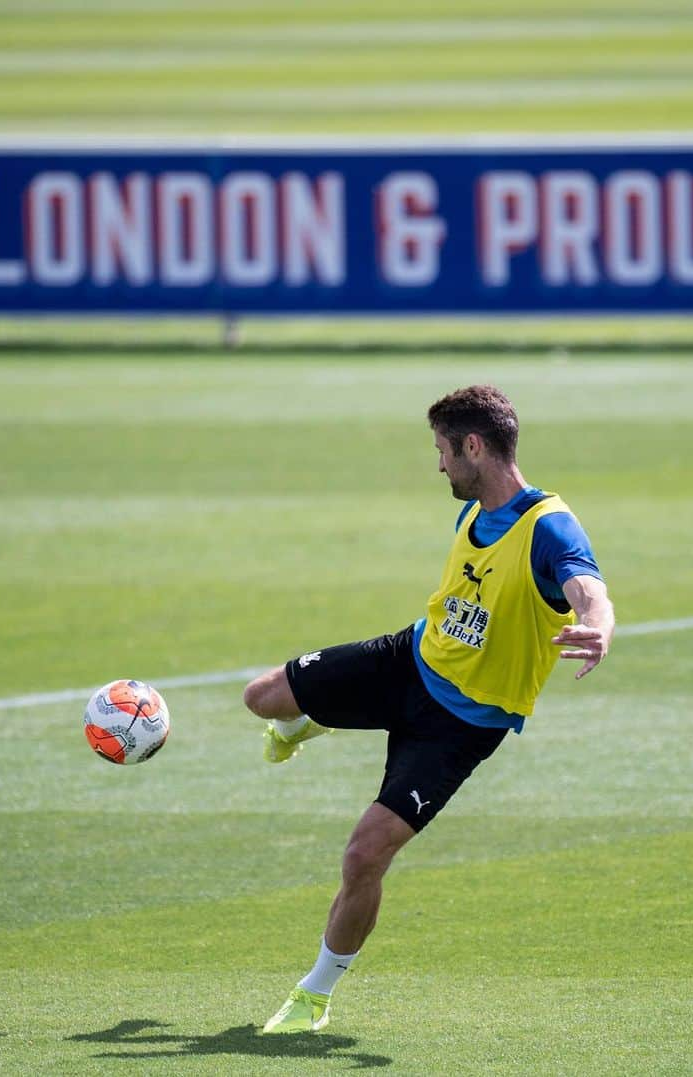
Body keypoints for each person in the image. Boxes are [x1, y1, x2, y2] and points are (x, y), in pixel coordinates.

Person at [243, 384, 614, 1035]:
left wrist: (598, 623)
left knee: (364, 854)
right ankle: (309, 719)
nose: (439, 464)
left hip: (459, 726)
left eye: (443, 449)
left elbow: (587, 584)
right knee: (260, 698)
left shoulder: (549, 527)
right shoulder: (472, 512)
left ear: (474, 445)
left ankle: (315, 995)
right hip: (409, 660)